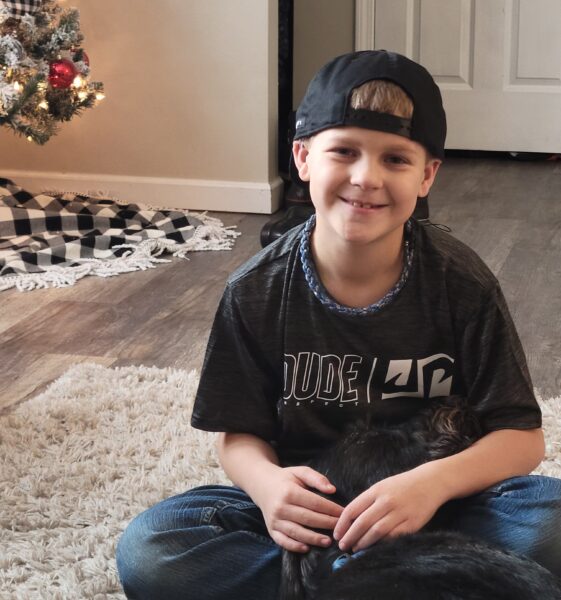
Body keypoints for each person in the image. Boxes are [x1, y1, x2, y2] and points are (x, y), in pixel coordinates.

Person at [116, 50, 561, 599]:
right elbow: (237, 436)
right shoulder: (256, 291)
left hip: (439, 503)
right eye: (343, 151)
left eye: (395, 159)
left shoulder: (461, 284)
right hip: (312, 514)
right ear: (303, 158)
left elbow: (520, 438)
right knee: (154, 550)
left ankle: (345, 584)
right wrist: (270, 486)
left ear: (427, 175)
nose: (365, 178)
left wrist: (431, 485)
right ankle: (388, 582)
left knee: (550, 525)